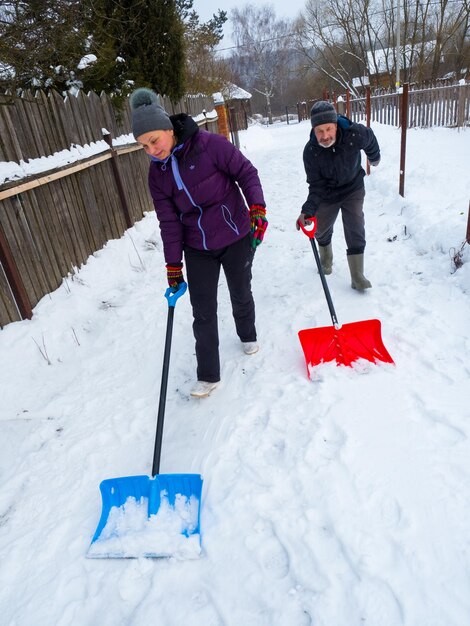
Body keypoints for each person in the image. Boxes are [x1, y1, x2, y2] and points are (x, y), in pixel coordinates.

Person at [130, 88, 268, 398]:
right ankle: (208, 375)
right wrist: (172, 265)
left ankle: (247, 333)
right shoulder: (157, 175)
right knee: (202, 311)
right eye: (143, 146)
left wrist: (257, 208)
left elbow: (246, 173)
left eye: (154, 140)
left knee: (240, 290)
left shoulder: (210, 145)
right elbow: (169, 222)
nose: (151, 150)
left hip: (235, 234)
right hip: (197, 247)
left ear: (168, 128)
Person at [297, 100, 381, 290]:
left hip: (353, 187)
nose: (325, 136)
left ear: (335, 125)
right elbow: (315, 186)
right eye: (320, 131)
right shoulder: (311, 152)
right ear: (313, 130)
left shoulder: (354, 133)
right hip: (327, 193)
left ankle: (357, 275)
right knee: (321, 227)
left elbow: (370, 139)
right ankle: (326, 257)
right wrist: (307, 210)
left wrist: (374, 157)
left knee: (355, 224)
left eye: (328, 129)